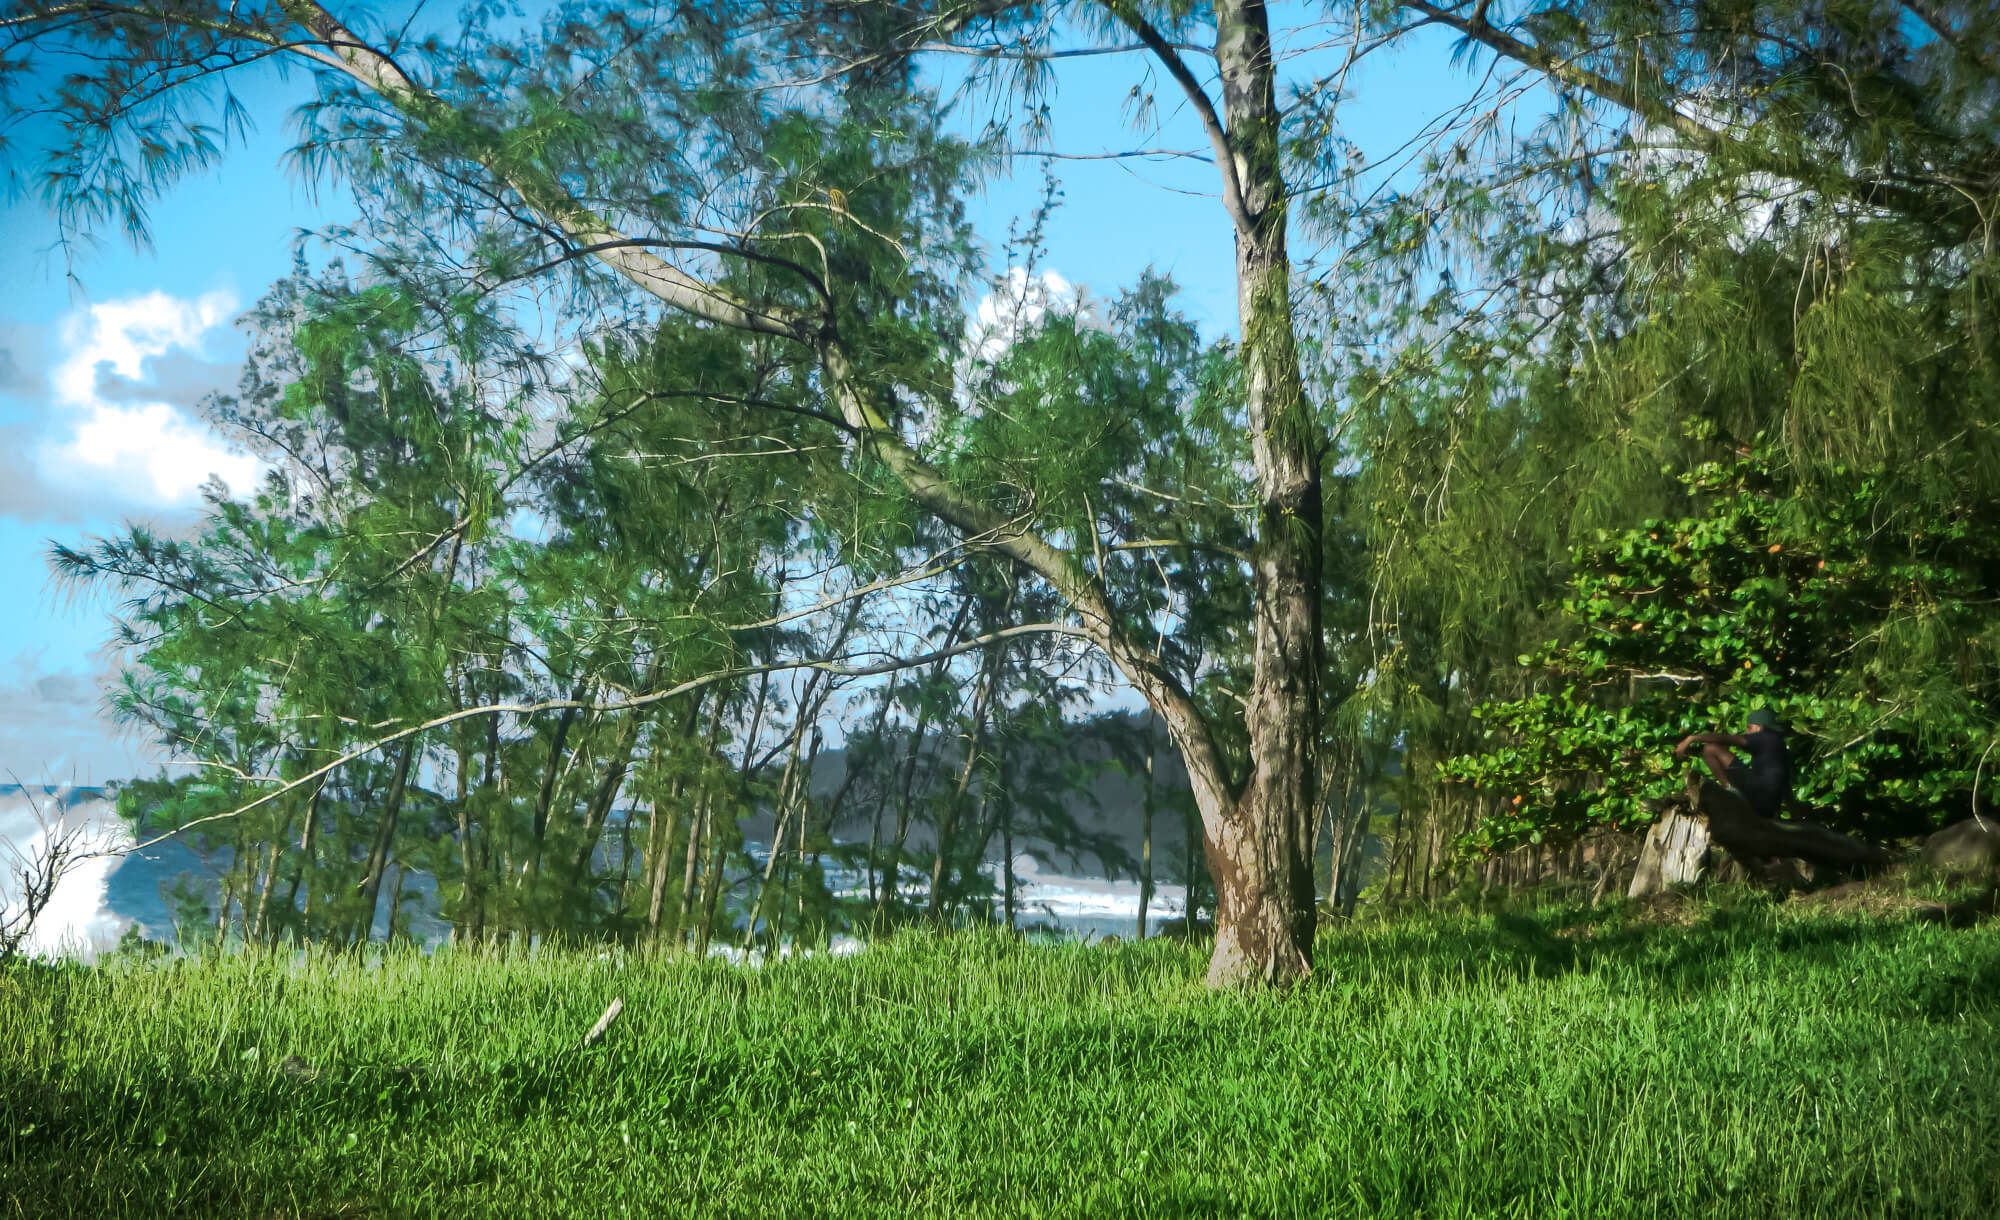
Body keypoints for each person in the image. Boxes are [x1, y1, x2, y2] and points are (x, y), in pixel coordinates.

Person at [1674, 708, 1793, 818]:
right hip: (1769, 806)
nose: (1746, 731)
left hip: (1757, 794)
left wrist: (1691, 738)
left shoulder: (1765, 737)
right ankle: (1732, 794)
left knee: (1710, 749)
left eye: (1749, 727)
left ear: (1759, 728)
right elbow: (1786, 784)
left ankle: (1730, 792)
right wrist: (1794, 810)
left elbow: (1727, 739)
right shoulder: (1779, 744)